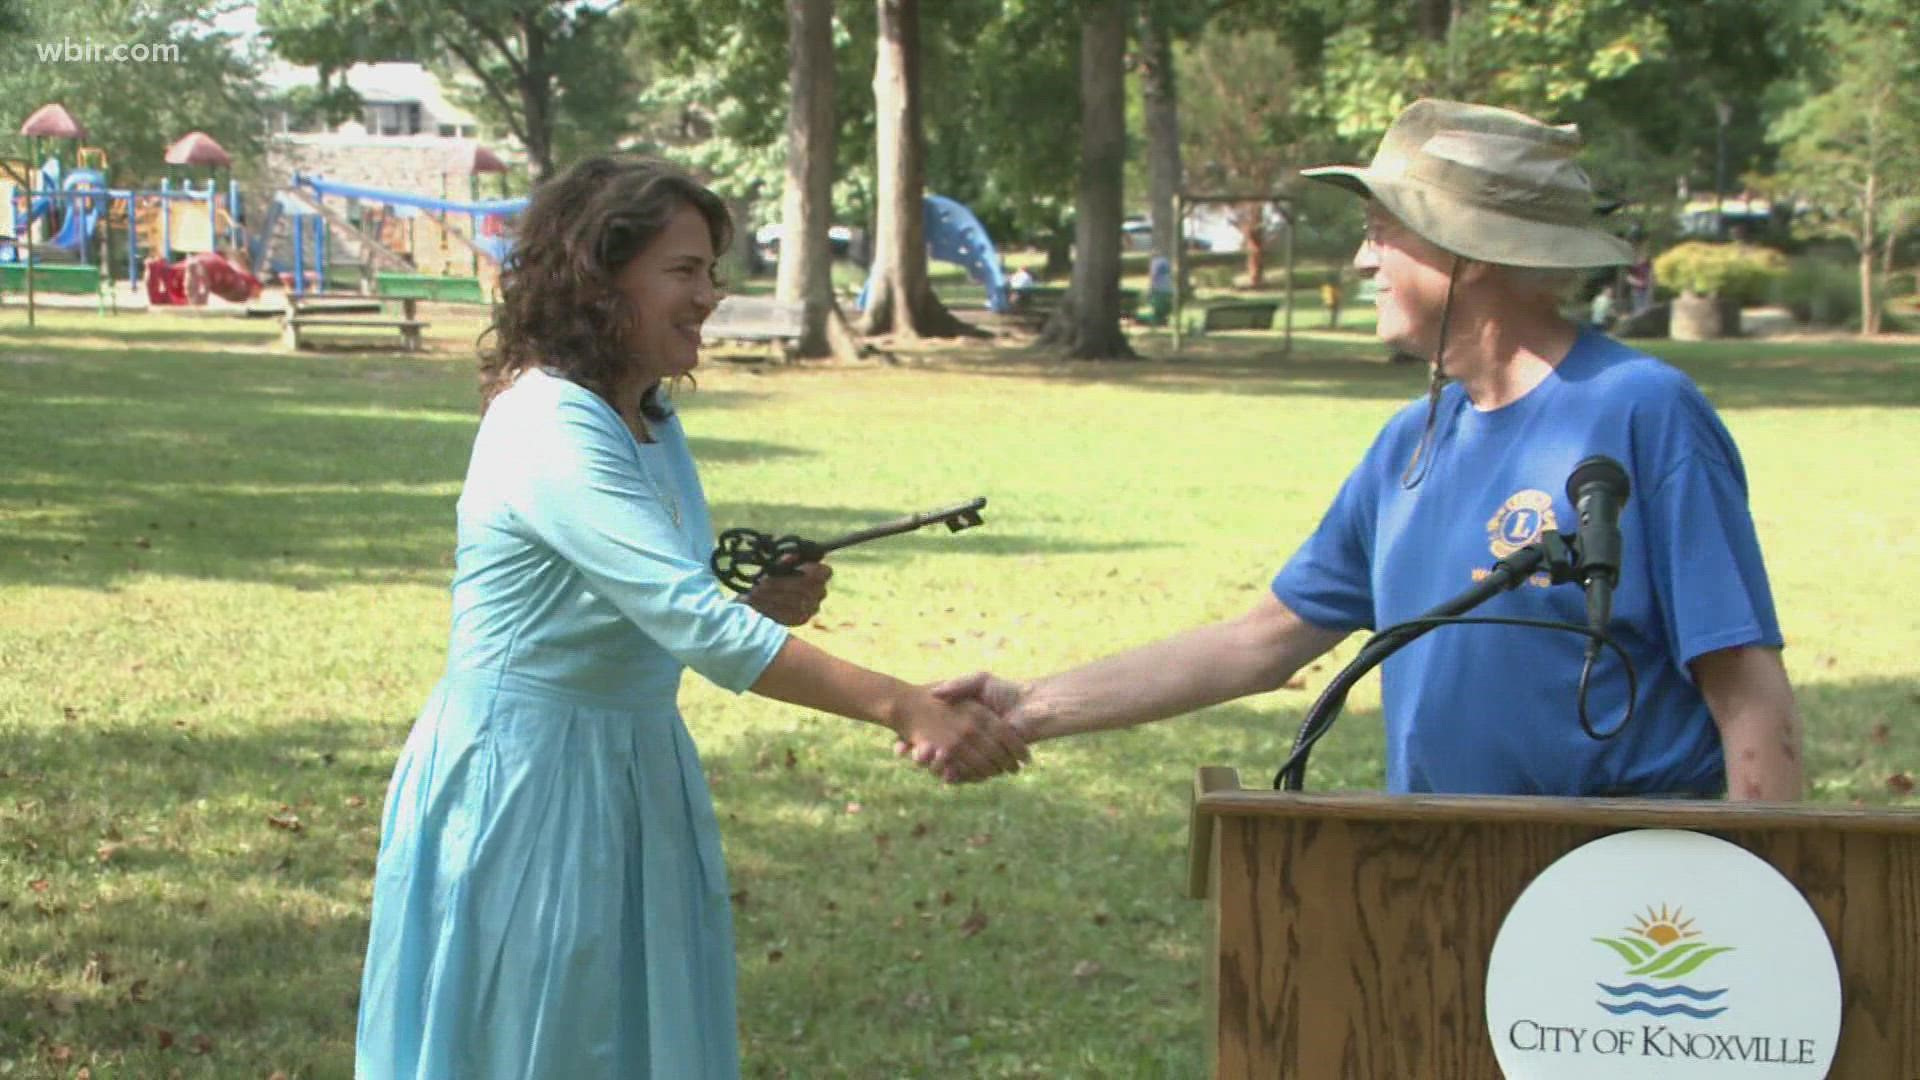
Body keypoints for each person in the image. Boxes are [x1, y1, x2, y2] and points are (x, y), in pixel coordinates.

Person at [355, 156, 1027, 1079]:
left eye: (711, 270)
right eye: (685, 270)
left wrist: (750, 603)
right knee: (532, 1038)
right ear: (599, 276)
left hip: (632, 762)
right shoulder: (548, 422)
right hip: (526, 776)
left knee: (628, 1032)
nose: (709, 295)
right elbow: (693, 623)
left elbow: (657, 604)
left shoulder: (646, 416)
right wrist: (906, 705)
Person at [930, 99, 1802, 802]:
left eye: (1385, 229)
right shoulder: (1408, 446)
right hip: (1442, 880)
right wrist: (1032, 707)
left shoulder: (1642, 410)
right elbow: (1259, 643)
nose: (1361, 259)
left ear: (1476, 252)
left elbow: (1743, 684)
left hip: (1624, 897)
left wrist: (1759, 899)